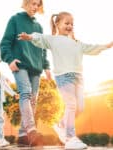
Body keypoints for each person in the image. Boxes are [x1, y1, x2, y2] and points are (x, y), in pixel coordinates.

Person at [18, 11, 113, 149]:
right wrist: (30, 37)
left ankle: (61, 125)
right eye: (66, 23)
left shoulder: (76, 42)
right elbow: (41, 38)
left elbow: (91, 48)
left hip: (79, 78)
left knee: (80, 107)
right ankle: (70, 138)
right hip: (64, 77)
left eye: (72, 24)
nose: (70, 26)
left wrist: (106, 46)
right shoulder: (53, 40)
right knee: (71, 105)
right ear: (57, 24)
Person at [0, 0, 51, 147]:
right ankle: (31, 130)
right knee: (26, 93)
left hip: (36, 67)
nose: (35, 7)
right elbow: (5, 43)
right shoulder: (15, 19)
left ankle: (22, 135)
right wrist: (9, 59)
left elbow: (43, 49)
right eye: (33, 3)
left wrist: (46, 67)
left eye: (38, 5)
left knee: (33, 99)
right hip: (20, 64)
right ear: (26, 3)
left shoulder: (38, 26)